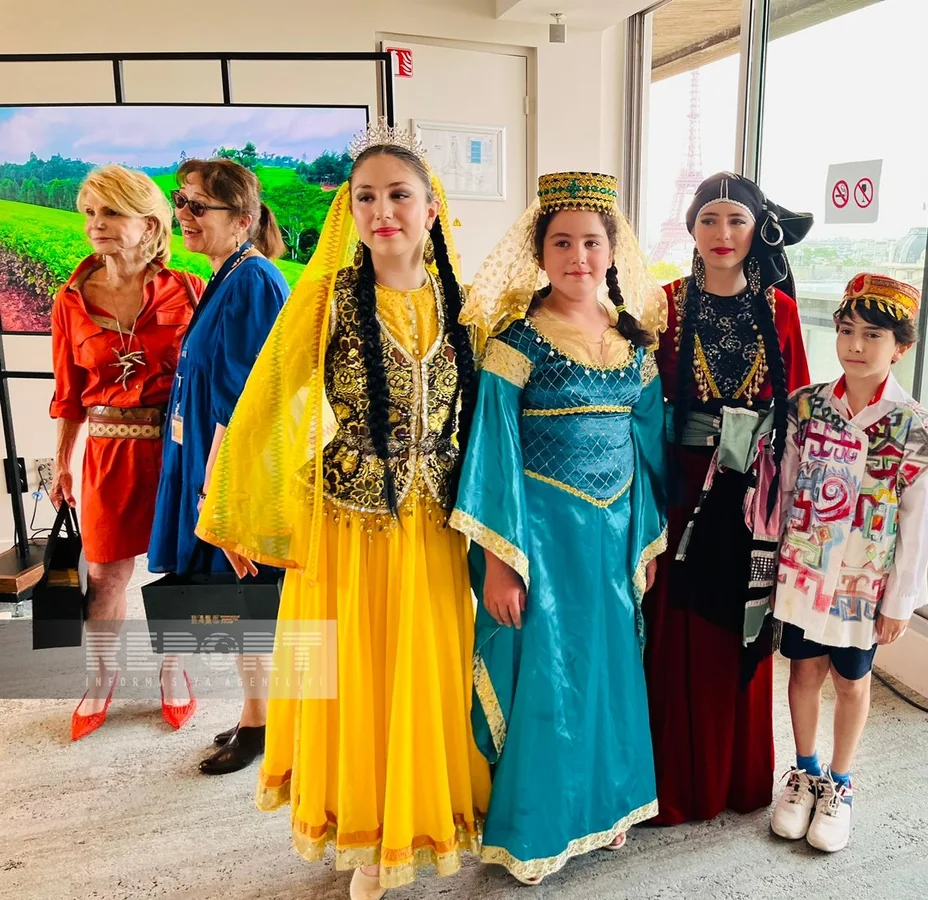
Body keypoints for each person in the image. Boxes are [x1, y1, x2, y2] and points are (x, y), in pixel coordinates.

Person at [195, 123, 489, 898]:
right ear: (348, 211)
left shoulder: (467, 307)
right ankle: (367, 835)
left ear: (432, 209)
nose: (382, 210)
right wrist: (231, 494)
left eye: (399, 194)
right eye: (366, 197)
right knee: (354, 674)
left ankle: (421, 816)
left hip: (432, 526)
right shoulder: (325, 298)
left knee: (426, 671)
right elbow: (263, 399)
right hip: (348, 526)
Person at [452, 171, 668, 885]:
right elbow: (492, 452)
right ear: (539, 254)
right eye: (562, 242)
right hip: (539, 535)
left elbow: (647, 449)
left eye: (591, 242)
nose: (579, 256)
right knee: (548, 677)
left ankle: (606, 804)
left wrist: (646, 539)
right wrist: (500, 563)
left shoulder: (635, 344)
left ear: (613, 252)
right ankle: (539, 826)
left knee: (609, 672)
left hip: (610, 540)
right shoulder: (517, 341)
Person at [643, 171, 813, 824]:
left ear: (753, 231)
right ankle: (677, 785)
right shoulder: (664, 305)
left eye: (735, 221)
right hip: (682, 488)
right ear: (690, 229)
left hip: (757, 495)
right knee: (679, 627)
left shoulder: (784, 312)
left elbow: (797, 414)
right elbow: (638, 405)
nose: (722, 234)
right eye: (709, 220)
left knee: (737, 627)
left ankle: (738, 781)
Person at [764, 273, 928, 852]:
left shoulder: (917, 428)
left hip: (864, 584)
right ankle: (804, 772)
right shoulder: (805, 405)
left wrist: (900, 601)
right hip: (806, 572)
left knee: (851, 679)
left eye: (873, 335)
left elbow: (921, 522)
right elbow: (787, 489)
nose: (855, 345)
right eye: (846, 330)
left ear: (900, 347)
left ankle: (841, 783)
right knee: (802, 672)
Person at [48, 164, 202, 741]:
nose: (96, 225)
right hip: (108, 454)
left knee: (180, 569)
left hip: (177, 450)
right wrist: (62, 462)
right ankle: (102, 677)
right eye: (90, 213)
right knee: (107, 575)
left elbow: (214, 376)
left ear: (148, 222)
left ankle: (173, 669)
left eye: (110, 213)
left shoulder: (188, 289)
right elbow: (67, 395)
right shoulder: (70, 300)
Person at [147, 158, 288, 774]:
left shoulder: (253, 282)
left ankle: (263, 727)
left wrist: (219, 491)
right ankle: (258, 716)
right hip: (210, 465)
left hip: (234, 472)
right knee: (237, 608)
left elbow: (250, 399)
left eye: (199, 206)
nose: (184, 215)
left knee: (249, 604)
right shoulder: (225, 275)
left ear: (244, 219)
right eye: (181, 202)